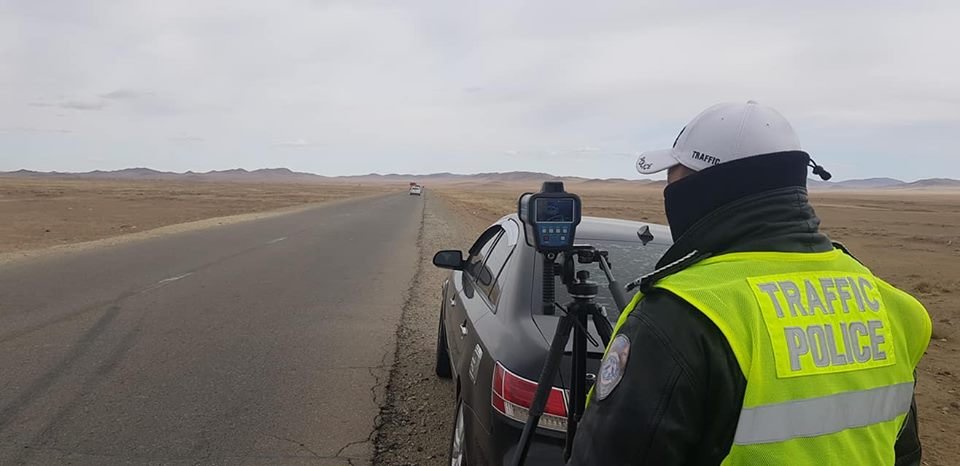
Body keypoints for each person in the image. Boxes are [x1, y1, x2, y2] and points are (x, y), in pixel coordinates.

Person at [567, 101, 931, 465]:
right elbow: (903, 452)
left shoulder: (683, 315)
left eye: (673, 177)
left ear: (700, 188)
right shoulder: (893, 308)